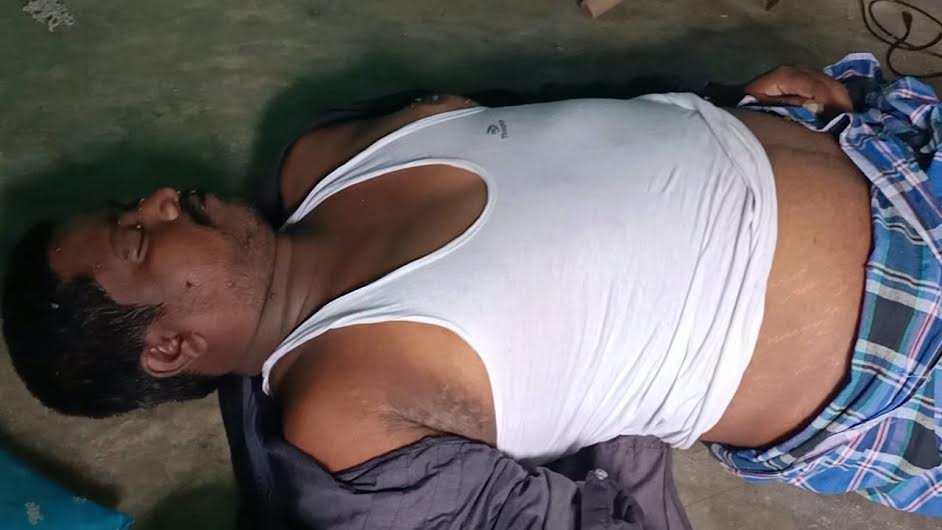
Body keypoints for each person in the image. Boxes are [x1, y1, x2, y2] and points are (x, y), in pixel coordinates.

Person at [4, 54, 942, 516]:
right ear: (169, 346)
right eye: (136, 236)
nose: (160, 198)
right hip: (901, 359)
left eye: (134, 204)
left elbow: (572, 133)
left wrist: (746, 106)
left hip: (884, 146)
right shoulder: (344, 415)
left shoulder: (326, 151)